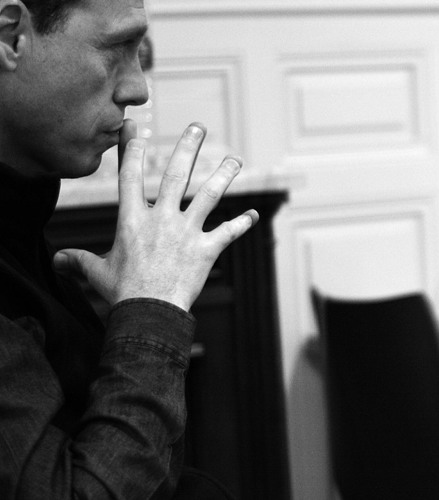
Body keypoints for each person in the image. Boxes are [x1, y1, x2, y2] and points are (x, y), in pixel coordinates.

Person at [0, 0, 259, 498]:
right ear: (12, 36)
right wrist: (152, 311)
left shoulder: (21, 226)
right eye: (118, 46)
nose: (139, 88)